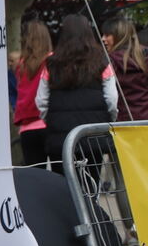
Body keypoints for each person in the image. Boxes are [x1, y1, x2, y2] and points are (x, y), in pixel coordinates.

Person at [36, 14, 118, 170]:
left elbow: (41, 100)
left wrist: (52, 121)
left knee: (62, 186)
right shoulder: (101, 60)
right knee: (91, 188)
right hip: (93, 136)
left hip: (61, 139)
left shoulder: (51, 63)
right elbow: (112, 98)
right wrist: (107, 120)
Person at [104, 17, 148, 121]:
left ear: (118, 36)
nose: (103, 39)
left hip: (123, 122)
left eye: (107, 35)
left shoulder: (109, 63)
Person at [14, 19, 52, 167]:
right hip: (46, 122)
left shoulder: (21, 65)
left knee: (36, 174)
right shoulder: (50, 61)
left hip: (26, 128)